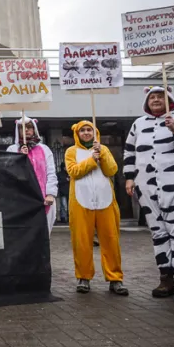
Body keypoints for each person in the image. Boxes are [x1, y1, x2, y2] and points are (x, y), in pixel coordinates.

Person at [124, 86, 174, 302]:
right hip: (147, 186)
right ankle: (166, 277)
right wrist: (129, 177)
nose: (156, 100)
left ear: (169, 100)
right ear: (146, 102)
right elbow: (129, 152)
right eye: (152, 97)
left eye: (160, 97)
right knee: (158, 233)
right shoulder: (138, 124)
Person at [66, 121, 127, 296]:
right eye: (82, 130)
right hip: (80, 201)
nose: (86, 133)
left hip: (105, 201)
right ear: (77, 134)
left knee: (111, 240)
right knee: (82, 241)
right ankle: (83, 277)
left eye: (89, 130)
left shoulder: (104, 149)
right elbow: (74, 172)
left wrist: (102, 156)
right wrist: (92, 160)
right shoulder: (71, 151)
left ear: (95, 133)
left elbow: (112, 170)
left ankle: (115, 278)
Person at [7, 117, 57, 235]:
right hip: (22, 199)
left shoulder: (44, 149)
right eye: (22, 128)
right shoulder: (12, 149)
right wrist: (20, 157)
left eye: (29, 127)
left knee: (43, 234)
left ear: (34, 129)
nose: (26, 130)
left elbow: (51, 173)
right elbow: (9, 173)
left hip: (43, 199)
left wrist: (50, 194)